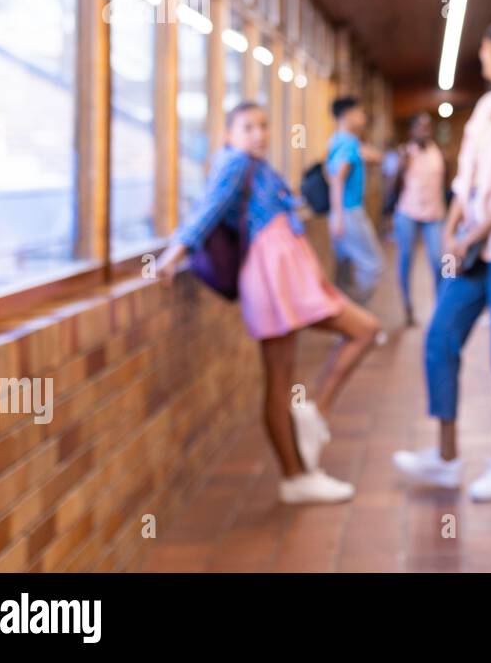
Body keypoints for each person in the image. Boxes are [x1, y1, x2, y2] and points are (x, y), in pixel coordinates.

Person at [159, 101, 383, 505]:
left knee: (360, 331)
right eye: (247, 127)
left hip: (289, 274)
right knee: (280, 378)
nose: (258, 134)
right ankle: (294, 474)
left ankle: (314, 418)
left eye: (263, 126)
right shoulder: (233, 163)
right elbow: (206, 211)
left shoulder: (257, 166)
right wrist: (173, 255)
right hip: (271, 277)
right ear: (228, 134)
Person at [392, 20, 491, 502]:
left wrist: (467, 238)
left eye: (484, 46)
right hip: (471, 244)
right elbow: (465, 177)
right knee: (440, 337)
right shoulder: (485, 105)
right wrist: (452, 224)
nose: (480, 53)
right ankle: (444, 456)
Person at [327, 96, 385, 311]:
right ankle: (356, 315)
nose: (363, 118)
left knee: (345, 270)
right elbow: (337, 179)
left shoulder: (337, 140)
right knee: (374, 265)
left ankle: (344, 318)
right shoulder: (349, 143)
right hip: (349, 213)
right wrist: (340, 217)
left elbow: (375, 156)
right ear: (347, 115)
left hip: (341, 213)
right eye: (360, 113)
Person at [392, 113, 447, 327]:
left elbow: (446, 184)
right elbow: (394, 187)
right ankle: (407, 307)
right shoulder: (406, 153)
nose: (426, 131)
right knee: (406, 259)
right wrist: (401, 165)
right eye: (421, 127)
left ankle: (440, 307)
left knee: (438, 260)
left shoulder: (439, 153)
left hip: (434, 213)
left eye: (428, 127)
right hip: (407, 212)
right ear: (412, 130)